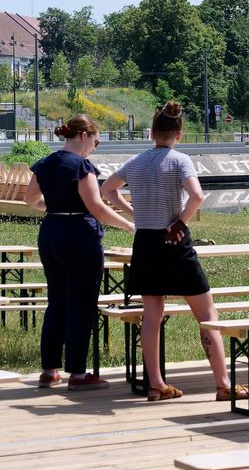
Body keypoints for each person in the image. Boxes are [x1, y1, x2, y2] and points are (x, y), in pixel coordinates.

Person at [100, 101, 249, 403]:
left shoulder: (136, 162)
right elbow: (197, 195)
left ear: (152, 132)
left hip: (145, 241)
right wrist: (180, 221)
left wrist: (133, 211)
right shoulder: (180, 160)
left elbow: (107, 190)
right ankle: (223, 383)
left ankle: (156, 383)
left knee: (152, 315)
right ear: (179, 134)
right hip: (174, 240)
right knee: (207, 314)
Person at [24, 115, 135, 391]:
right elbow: (96, 207)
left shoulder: (45, 162)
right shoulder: (82, 165)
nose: (94, 148)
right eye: (95, 142)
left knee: (57, 302)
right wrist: (130, 225)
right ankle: (78, 373)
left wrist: (54, 206)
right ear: (84, 135)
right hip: (79, 236)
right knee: (81, 304)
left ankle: (49, 371)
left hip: (50, 233)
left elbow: (31, 200)